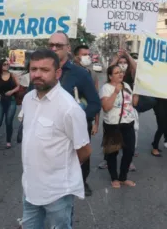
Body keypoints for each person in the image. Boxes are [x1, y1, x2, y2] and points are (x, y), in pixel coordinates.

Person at [20, 49, 91, 228]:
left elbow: (84, 151)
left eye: (44, 70)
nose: (37, 74)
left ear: (57, 73)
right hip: (30, 187)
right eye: (34, 69)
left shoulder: (69, 108)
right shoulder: (28, 99)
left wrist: (60, 170)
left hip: (57, 192)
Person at [40, 32, 100, 196]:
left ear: (68, 49)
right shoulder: (40, 73)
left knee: (81, 159)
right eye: (50, 45)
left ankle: (82, 182)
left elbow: (95, 104)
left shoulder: (80, 74)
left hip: (74, 131)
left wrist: (79, 118)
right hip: (48, 132)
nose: (53, 48)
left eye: (58, 46)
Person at [100, 65, 138, 189]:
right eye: (116, 73)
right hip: (113, 125)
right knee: (112, 153)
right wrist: (116, 92)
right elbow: (106, 107)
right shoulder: (106, 88)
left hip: (128, 123)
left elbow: (134, 103)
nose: (120, 74)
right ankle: (114, 178)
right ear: (110, 76)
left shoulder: (126, 86)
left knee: (129, 151)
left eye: (121, 72)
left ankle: (123, 177)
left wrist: (137, 91)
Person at [73, 44, 100, 196]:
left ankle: (83, 182)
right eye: (84, 54)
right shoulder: (66, 73)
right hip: (68, 120)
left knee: (85, 152)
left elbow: (95, 99)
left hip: (85, 120)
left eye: (88, 54)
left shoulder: (91, 74)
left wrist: (96, 123)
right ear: (76, 56)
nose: (87, 57)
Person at [0, 59, 20, 149]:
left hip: (11, 101)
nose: (6, 65)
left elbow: (18, 86)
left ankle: (8, 141)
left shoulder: (13, 75)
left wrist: (12, 91)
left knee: (8, 122)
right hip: (0, 101)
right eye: (4, 64)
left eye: (7, 64)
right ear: (0, 66)